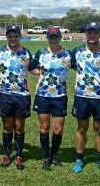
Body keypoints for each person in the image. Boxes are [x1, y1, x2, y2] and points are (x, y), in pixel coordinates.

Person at [71, 22, 100, 175]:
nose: (92, 35)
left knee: (99, 129)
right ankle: (79, 159)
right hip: (82, 97)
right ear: (85, 33)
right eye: (89, 32)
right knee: (81, 129)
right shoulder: (77, 51)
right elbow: (70, 66)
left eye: (95, 32)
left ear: (99, 34)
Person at [0, 25, 35, 170]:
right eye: (10, 36)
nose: (13, 39)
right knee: (7, 127)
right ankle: (7, 154)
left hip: (22, 95)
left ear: (19, 37)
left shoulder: (26, 53)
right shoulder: (0, 51)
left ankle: (19, 156)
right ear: (6, 37)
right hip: (5, 95)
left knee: (19, 127)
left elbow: (34, 70)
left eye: (15, 36)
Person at [29, 27, 71, 171]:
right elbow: (31, 67)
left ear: (60, 37)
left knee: (58, 130)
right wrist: (40, 73)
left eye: (55, 36)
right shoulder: (41, 53)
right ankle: (46, 157)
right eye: (51, 36)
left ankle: (54, 155)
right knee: (44, 128)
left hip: (60, 96)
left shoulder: (67, 54)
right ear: (47, 38)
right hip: (43, 95)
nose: (53, 39)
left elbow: (80, 68)